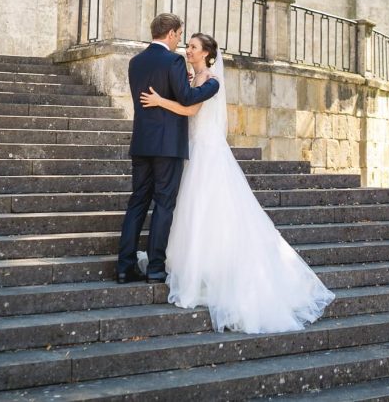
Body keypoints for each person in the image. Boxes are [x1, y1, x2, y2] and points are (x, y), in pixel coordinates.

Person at [139, 32, 335, 333]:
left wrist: (159, 100)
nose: (187, 50)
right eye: (187, 45)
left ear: (206, 53)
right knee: (192, 212)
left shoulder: (212, 82)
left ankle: (213, 272)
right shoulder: (191, 78)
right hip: (190, 150)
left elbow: (191, 110)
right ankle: (194, 267)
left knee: (207, 208)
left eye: (193, 47)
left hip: (207, 152)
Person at [115, 14, 220, 284]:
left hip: (141, 143)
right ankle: (156, 268)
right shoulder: (173, 61)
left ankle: (124, 267)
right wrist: (211, 85)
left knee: (137, 202)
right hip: (168, 146)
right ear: (171, 33)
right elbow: (186, 97)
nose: (181, 43)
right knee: (163, 204)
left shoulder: (135, 62)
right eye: (179, 35)